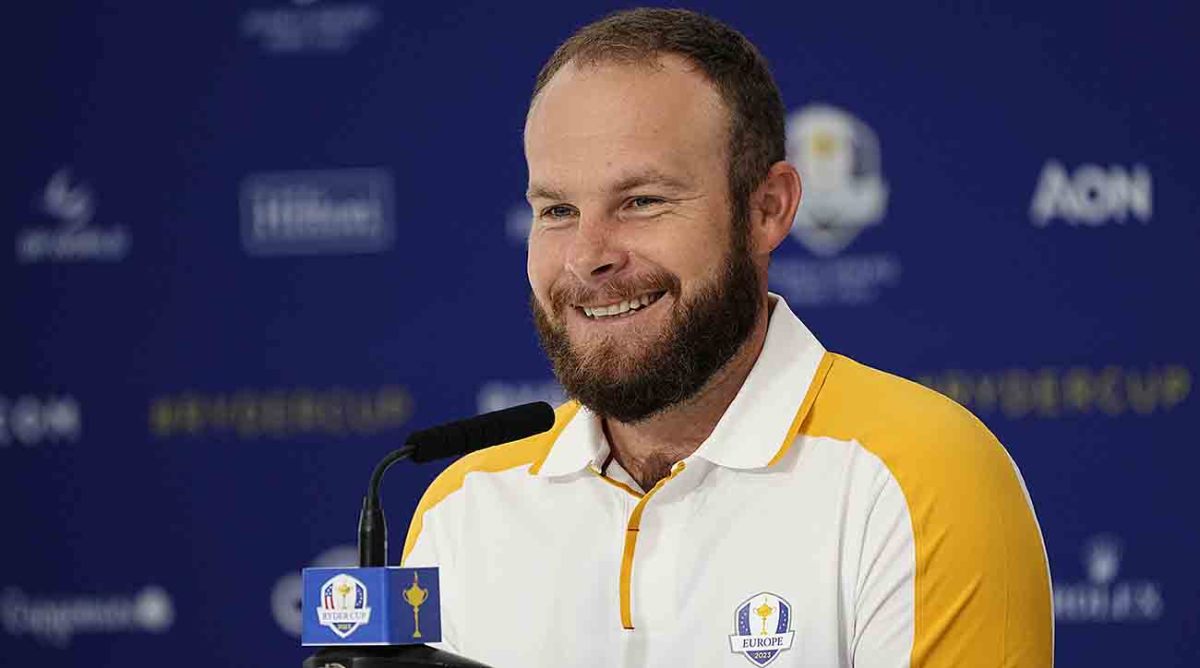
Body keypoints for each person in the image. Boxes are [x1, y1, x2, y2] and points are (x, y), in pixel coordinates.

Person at [402, 8, 1053, 667]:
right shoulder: (458, 507)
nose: (585, 256)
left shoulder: (924, 476)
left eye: (642, 201)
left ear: (767, 208)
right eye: (557, 211)